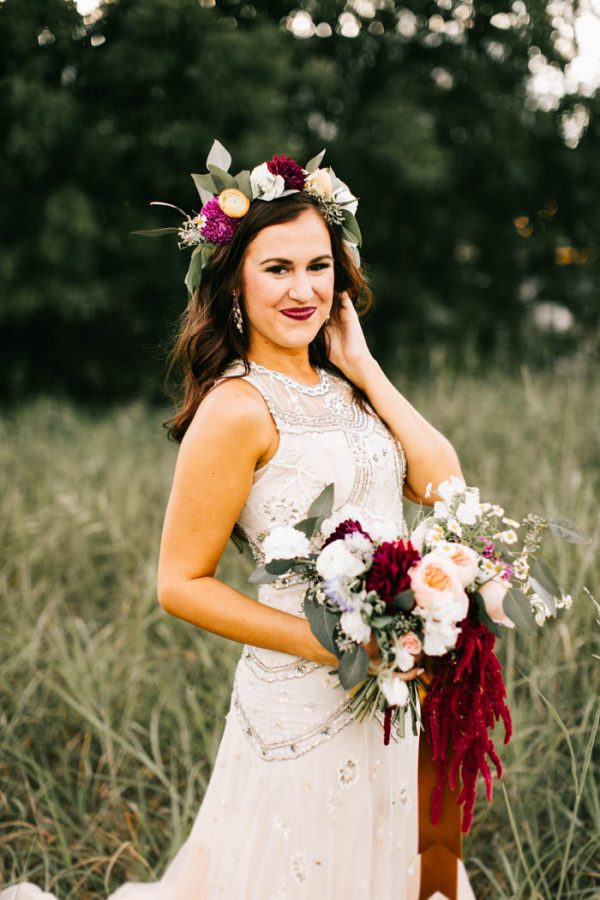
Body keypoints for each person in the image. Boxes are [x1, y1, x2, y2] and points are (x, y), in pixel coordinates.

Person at [1, 147, 476, 899]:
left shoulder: (346, 387)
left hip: (391, 693)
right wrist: (341, 647)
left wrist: (366, 366)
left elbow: (444, 487)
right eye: (277, 268)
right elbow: (180, 584)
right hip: (301, 700)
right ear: (233, 283)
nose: (303, 290)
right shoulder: (234, 407)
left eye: (318, 267)